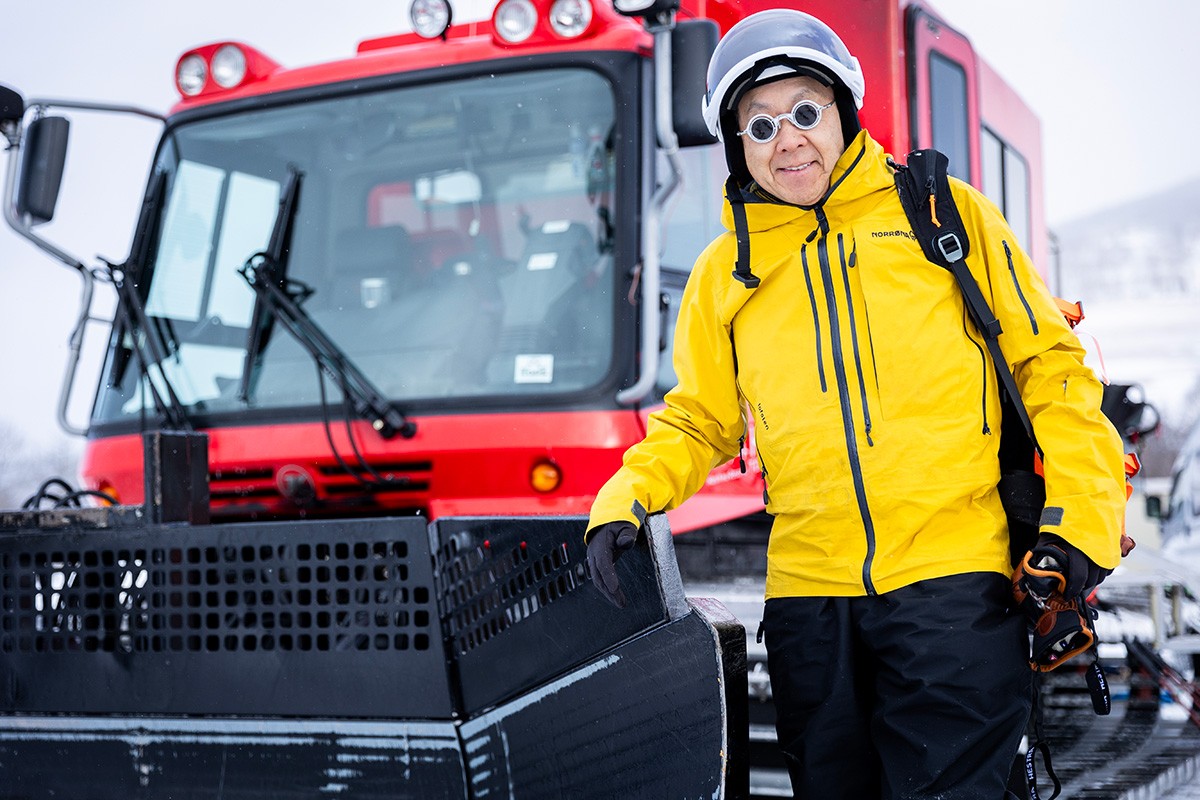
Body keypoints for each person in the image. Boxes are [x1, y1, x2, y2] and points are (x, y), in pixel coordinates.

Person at [584, 8, 1126, 800]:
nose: (787, 140)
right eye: (759, 125)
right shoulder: (724, 271)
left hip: (954, 588)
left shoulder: (941, 217)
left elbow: (1051, 368)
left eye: (805, 111)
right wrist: (628, 498)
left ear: (843, 107)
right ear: (737, 144)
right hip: (810, 605)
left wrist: (1078, 524)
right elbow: (699, 418)